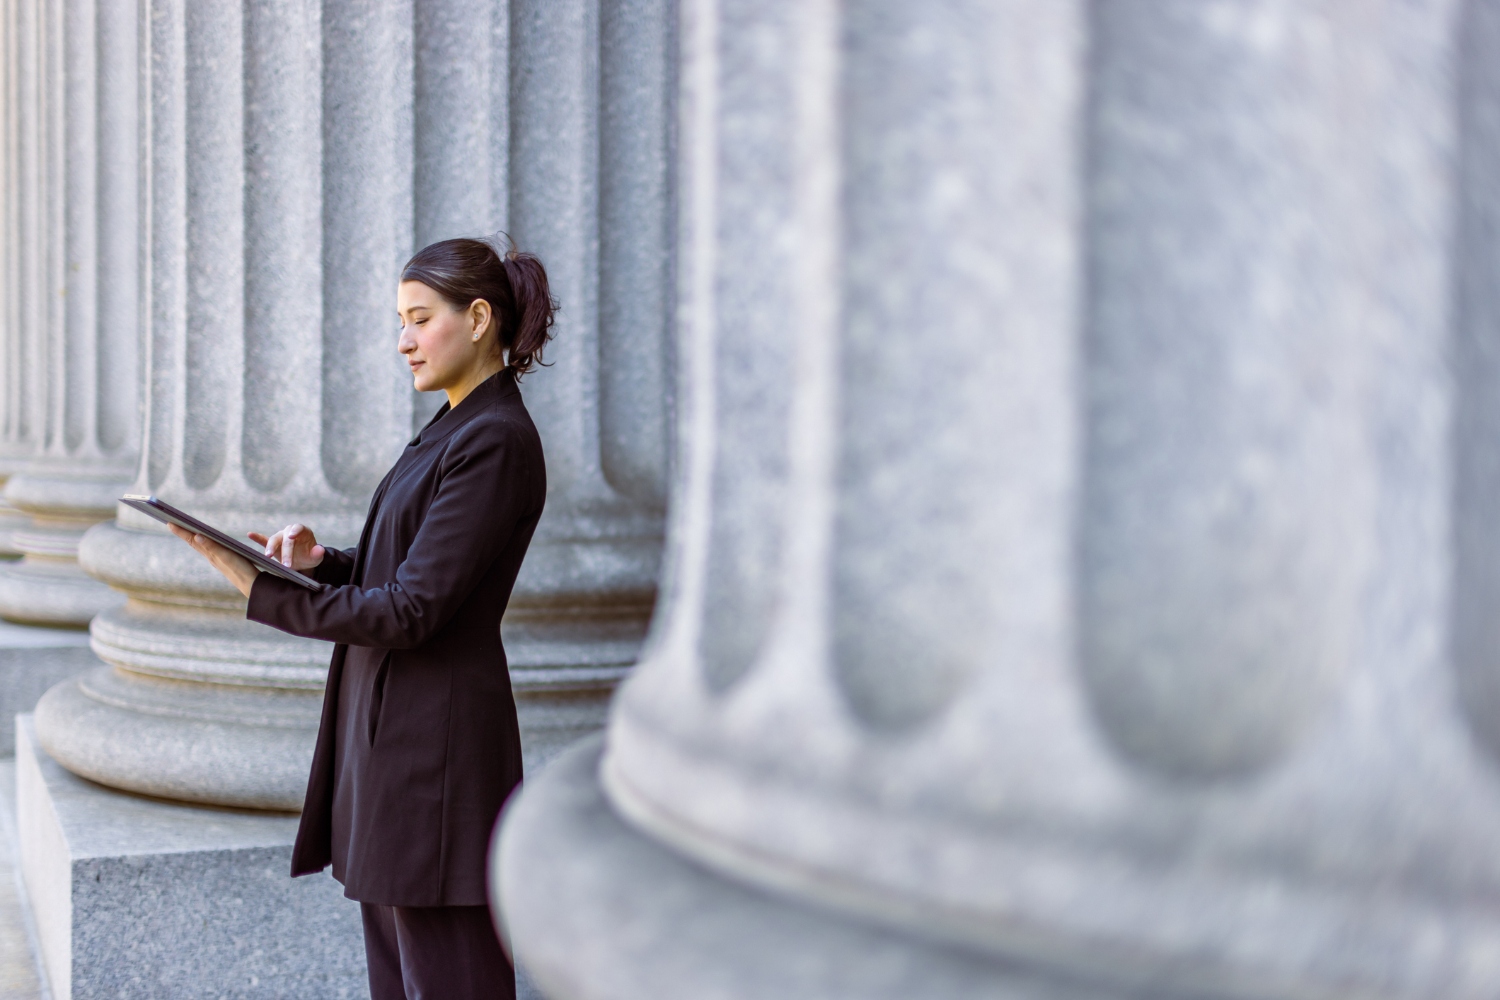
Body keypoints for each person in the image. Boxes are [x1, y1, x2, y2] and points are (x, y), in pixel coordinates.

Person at [169, 236, 555, 1000]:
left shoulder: (495, 439)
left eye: (419, 318)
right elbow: (415, 571)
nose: (402, 341)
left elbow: (415, 610)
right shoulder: (455, 426)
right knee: (399, 977)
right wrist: (322, 564)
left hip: (434, 760)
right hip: (396, 749)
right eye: (399, 321)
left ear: (479, 318)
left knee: (452, 979)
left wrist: (265, 591)